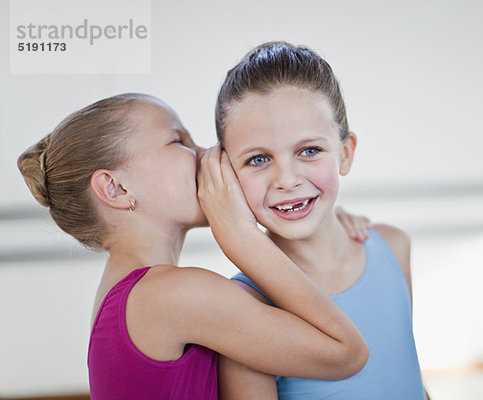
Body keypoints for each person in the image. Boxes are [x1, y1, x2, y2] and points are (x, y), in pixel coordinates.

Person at [17, 93, 371, 399]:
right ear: (116, 189)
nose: (206, 153)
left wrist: (326, 223)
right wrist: (241, 237)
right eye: (178, 141)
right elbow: (346, 352)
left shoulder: (139, 293)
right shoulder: (169, 294)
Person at [215, 41, 429, 399]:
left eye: (309, 150)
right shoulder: (243, 309)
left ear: (346, 153)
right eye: (258, 159)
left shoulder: (393, 247)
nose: (287, 179)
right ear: (225, 174)